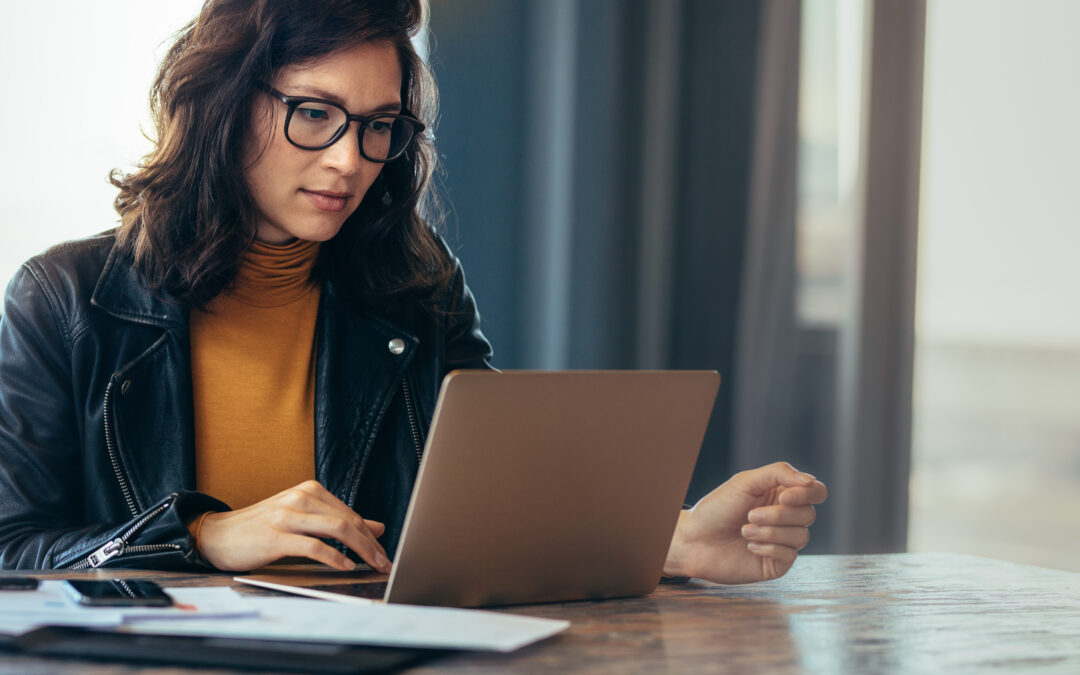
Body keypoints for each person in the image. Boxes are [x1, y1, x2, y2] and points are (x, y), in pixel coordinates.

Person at [0, 0, 826, 582]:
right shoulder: (65, 300)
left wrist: (675, 540)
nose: (350, 160)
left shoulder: (414, 288)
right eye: (315, 114)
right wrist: (202, 535)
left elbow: (498, 502)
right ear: (225, 104)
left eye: (378, 125)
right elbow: (13, 547)